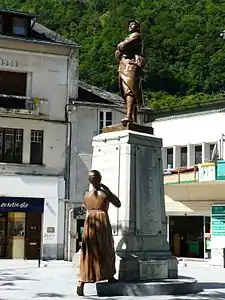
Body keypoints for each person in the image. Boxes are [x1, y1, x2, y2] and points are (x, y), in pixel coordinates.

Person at [77, 170, 121, 296]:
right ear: (100, 179)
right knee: (106, 249)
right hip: (101, 223)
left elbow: (85, 207)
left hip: (90, 223)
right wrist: (108, 191)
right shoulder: (104, 193)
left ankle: (82, 281)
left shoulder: (86, 195)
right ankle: (109, 275)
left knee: (88, 252)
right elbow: (118, 204)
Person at [115, 19, 145, 125]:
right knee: (130, 91)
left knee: (130, 90)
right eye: (130, 24)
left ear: (137, 27)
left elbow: (123, 46)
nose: (130, 26)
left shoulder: (136, 36)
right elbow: (118, 53)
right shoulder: (131, 36)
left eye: (133, 24)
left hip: (131, 65)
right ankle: (133, 118)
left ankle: (129, 116)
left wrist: (120, 46)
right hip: (125, 65)